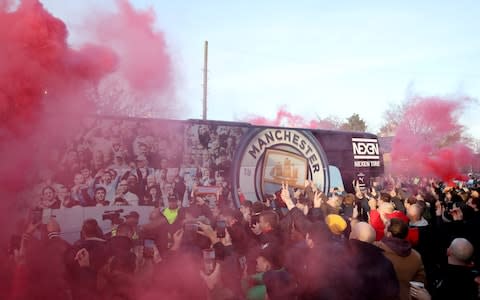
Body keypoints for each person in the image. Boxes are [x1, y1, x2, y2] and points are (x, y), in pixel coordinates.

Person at [374, 218, 425, 300]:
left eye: (385, 227)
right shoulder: (416, 256)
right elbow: (420, 282)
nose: (383, 229)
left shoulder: (376, 249)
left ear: (389, 234)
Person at [348, 222, 399, 300]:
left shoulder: (343, 257)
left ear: (355, 237)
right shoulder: (386, 263)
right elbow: (393, 293)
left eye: (351, 231)